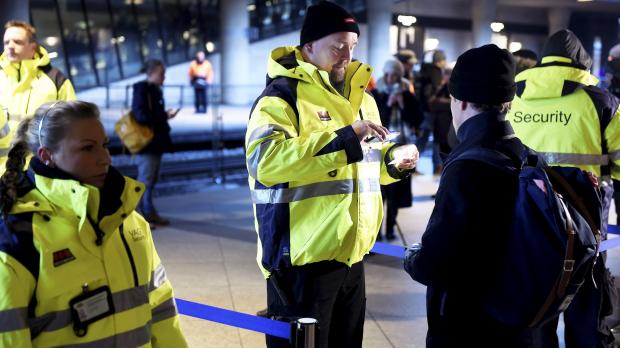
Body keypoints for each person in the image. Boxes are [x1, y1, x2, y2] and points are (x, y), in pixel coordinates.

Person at [245, 1, 419, 347]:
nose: (347, 55)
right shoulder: (281, 98)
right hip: (300, 262)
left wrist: (393, 162)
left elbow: (365, 165)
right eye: (338, 45)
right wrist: (344, 139)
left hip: (352, 256)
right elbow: (265, 161)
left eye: (352, 46)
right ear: (308, 47)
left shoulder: (362, 99)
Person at [0, 101, 187, 347]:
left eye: (105, 145)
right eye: (87, 148)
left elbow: (161, 308)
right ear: (47, 156)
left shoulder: (129, 220)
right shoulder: (19, 236)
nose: (105, 158)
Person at [404, 44, 535, 346]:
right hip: (517, 320)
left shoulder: (468, 167)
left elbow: (435, 263)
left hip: (469, 326)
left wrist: (414, 259)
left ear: (460, 102)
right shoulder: (524, 154)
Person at [507, 29, 620, 347]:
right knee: (586, 307)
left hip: (527, 219)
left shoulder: (514, 95)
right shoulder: (602, 102)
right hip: (584, 224)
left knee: (536, 307)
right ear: (581, 62)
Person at [0, 20, 76, 174]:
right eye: (6, 42)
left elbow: (73, 126)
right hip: (3, 172)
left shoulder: (56, 80)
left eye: (17, 42)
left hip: (43, 171)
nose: (10, 46)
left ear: (33, 47)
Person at [372, 58, 423, 241]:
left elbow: (417, 119)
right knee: (378, 192)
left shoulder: (407, 93)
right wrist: (388, 104)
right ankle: (376, 231)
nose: (390, 78)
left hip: (401, 147)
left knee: (395, 191)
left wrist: (401, 104)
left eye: (394, 74)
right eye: (387, 74)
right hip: (379, 148)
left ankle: (391, 226)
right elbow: (375, 121)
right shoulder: (376, 93)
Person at [132, 59, 178, 227]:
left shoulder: (155, 90)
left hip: (155, 142)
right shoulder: (142, 89)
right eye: (161, 73)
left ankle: (149, 213)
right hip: (146, 144)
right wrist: (164, 116)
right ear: (151, 73)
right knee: (145, 180)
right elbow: (140, 116)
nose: (164, 76)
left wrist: (164, 115)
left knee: (151, 179)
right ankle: (139, 218)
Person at [415, 49, 447, 175]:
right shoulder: (436, 72)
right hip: (432, 111)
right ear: (439, 61)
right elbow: (435, 91)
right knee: (436, 139)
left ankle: (411, 164)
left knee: (422, 139)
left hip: (423, 110)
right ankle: (438, 166)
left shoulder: (423, 71)